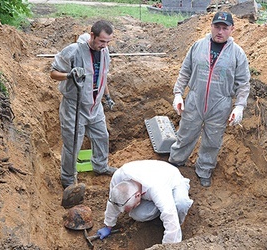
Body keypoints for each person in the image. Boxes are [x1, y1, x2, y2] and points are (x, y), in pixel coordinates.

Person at [169, 12, 251, 187]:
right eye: (217, 27)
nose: (220, 31)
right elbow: (185, 71)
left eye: (224, 28)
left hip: (220, 105)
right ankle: (175, 163)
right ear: (211, 26)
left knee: (212, 142)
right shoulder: (198, 46)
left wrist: (239, 106)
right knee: (185, 135)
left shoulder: (237, 54)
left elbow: (243, 83)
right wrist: (178, 93)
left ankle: (204, 170)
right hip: (194, 100)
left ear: (232, 29)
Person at [50, 20, 117, 189]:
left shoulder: (104, 52)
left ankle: (101, 166)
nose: (104, 45)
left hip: (95, 105)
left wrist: (107, 97)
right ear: (92, 35)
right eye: (102, 41)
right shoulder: (73, 51)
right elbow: (53, 73)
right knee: (73, 144)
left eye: (108, 42)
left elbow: (103, 75)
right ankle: (68, 179)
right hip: (75, 106)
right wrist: (69, 75)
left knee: (102, 137)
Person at [96, 160, 193, 243]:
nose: (130, 210)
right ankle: (160, 210)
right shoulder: (118, 177)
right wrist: (108, 225)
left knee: (181, 204)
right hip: (154, 191)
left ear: (138, 195)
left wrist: (169, 246)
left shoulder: (157, 189)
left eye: (132, 206)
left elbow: (170, 215)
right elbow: (114, 201)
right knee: (138, 214)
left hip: (172, 180)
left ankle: (179, 222)